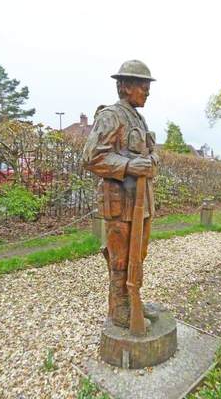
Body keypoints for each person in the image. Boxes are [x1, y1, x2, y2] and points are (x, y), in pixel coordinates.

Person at [82, 60, 158, 328]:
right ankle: (120, 310)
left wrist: (152, 160)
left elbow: (150, 151)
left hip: (142, 202)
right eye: (143, 86)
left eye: (148, 86)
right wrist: (128, 165)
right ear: (125, 86)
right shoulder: (111, 116)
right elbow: (91, 157)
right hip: (119, 203)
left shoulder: (140, 118)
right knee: (120, 259)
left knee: (138, 255)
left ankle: (133, 298)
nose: (147, 92)